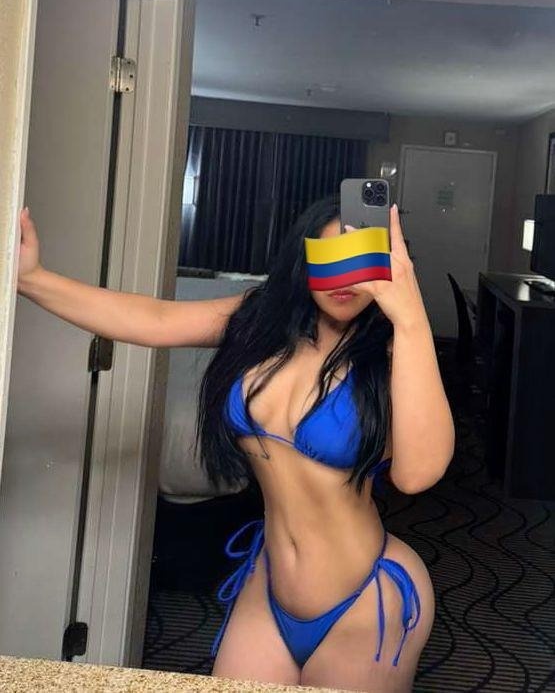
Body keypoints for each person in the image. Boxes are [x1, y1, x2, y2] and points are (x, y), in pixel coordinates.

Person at [17, 196, 454, 693]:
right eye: (330, 258)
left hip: (365, 598)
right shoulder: (260, 322)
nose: (344, 280)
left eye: (361, 262)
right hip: (269, 588)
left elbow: (417, 474)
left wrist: (411, 319)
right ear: (304, 258)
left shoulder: (392, 351)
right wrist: (32, 279)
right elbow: (155, 320)